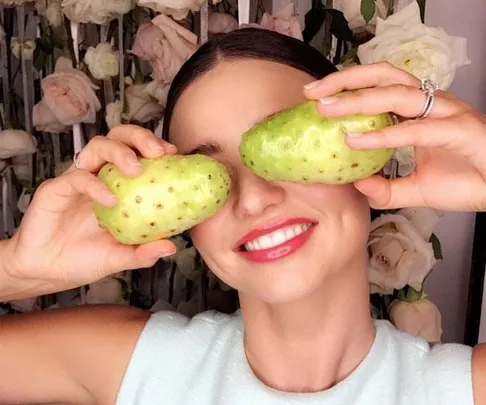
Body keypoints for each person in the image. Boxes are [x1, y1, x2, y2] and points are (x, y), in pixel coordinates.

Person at [0, 28, 486, 404]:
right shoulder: (134, 364)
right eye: (208, 171)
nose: (253, 199)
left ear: (368, 156)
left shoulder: (463, 390)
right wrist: (18, 269)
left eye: (284, 150)